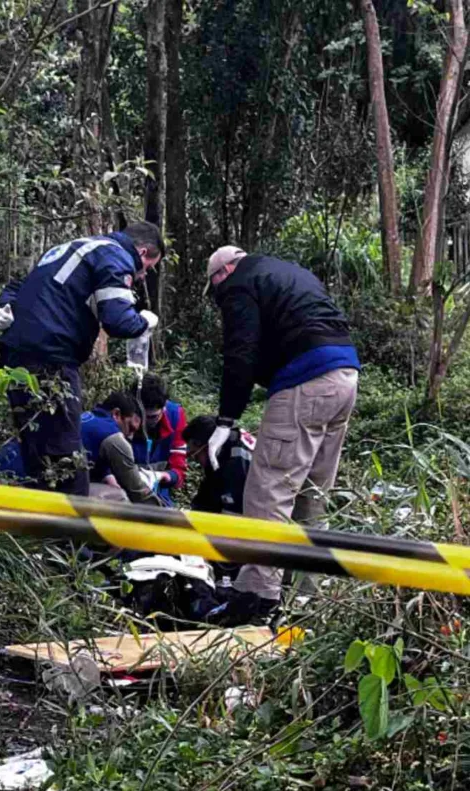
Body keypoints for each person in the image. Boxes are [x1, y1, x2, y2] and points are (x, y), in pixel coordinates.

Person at [205, 246, 360, 616]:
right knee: (312, 492)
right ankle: (305, 596)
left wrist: (225, 420)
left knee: (268, 491)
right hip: (346, 377)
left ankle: (258, 597)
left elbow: (241, 352)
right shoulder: (288, 272)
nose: (220, 299)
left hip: (307, 381)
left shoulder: (239, 284)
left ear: (223, 272)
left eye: (215, 290)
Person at [0, 222, 164, 496]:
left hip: (15, 358)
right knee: (67, 462)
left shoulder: (71, 249)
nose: (142, 276)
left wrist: (3, 306)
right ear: (142, 252)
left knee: (38, 453)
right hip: (51, 359)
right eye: (147, 268)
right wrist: (143, 322)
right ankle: (70, 523)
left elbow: (17, 286)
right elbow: (118, 320)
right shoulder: (115, 255)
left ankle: (39, 519)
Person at [81, 392, 162, 505]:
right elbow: (136, 489)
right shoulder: (113, 437)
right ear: (116, 414)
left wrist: (106, 475)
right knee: (120, 497)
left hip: (61, 479)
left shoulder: (88, 417)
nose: (130, 436)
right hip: (69, 491)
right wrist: (161, 511)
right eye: (130, 428)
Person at [129, 373, 187, 506]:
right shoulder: (121, 415)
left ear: (164, 407)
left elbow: (179, 470)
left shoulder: (175, 416)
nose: (146, 421)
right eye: (142, 415)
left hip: (158, 491)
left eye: (153, 417)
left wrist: (163, 476)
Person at [182, 414, 254, 516]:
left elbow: (233, 514)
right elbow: (206, 498)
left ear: (207, 446)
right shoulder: (224, 444)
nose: (197, 461)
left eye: (196, 456)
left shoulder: (235, 462)